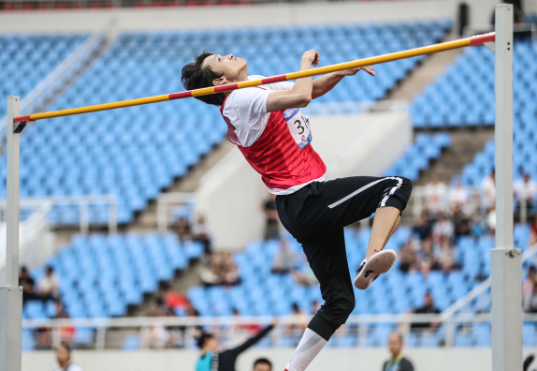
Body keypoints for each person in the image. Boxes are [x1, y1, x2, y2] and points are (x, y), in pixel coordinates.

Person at [183, 48, 412, 371]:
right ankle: (371, 256)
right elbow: (302, 97)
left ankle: (292, 369)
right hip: (304, 198)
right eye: (221, 60)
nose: (229, 54)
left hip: (299, 207)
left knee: (340, 303)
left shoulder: (257, 85)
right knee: (397, 186)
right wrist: (304, 63)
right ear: (219, 80)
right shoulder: (236, 102)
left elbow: (311, 90)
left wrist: (342, 72)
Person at [196, 322, 275, 371]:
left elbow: (249, 342)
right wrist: (270, 327)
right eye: (215, 339)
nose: (218, 341)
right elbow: (249, 342)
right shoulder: (226, 355)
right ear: (207, 340)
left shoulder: (199, 362)